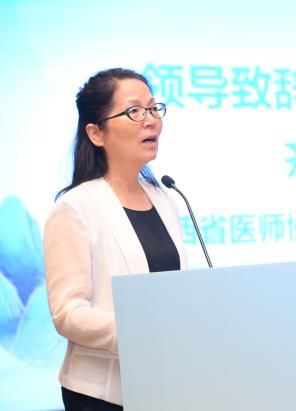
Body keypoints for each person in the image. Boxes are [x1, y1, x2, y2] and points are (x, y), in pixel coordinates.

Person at [44, 68, 187, 410]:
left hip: (163, 383)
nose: (151, 121)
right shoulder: (75, 207)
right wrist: (136, 333)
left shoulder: (165, 197)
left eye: (154, 108)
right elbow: (67, 312)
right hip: (101, 394)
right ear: (96, 133)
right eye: (134, 111)